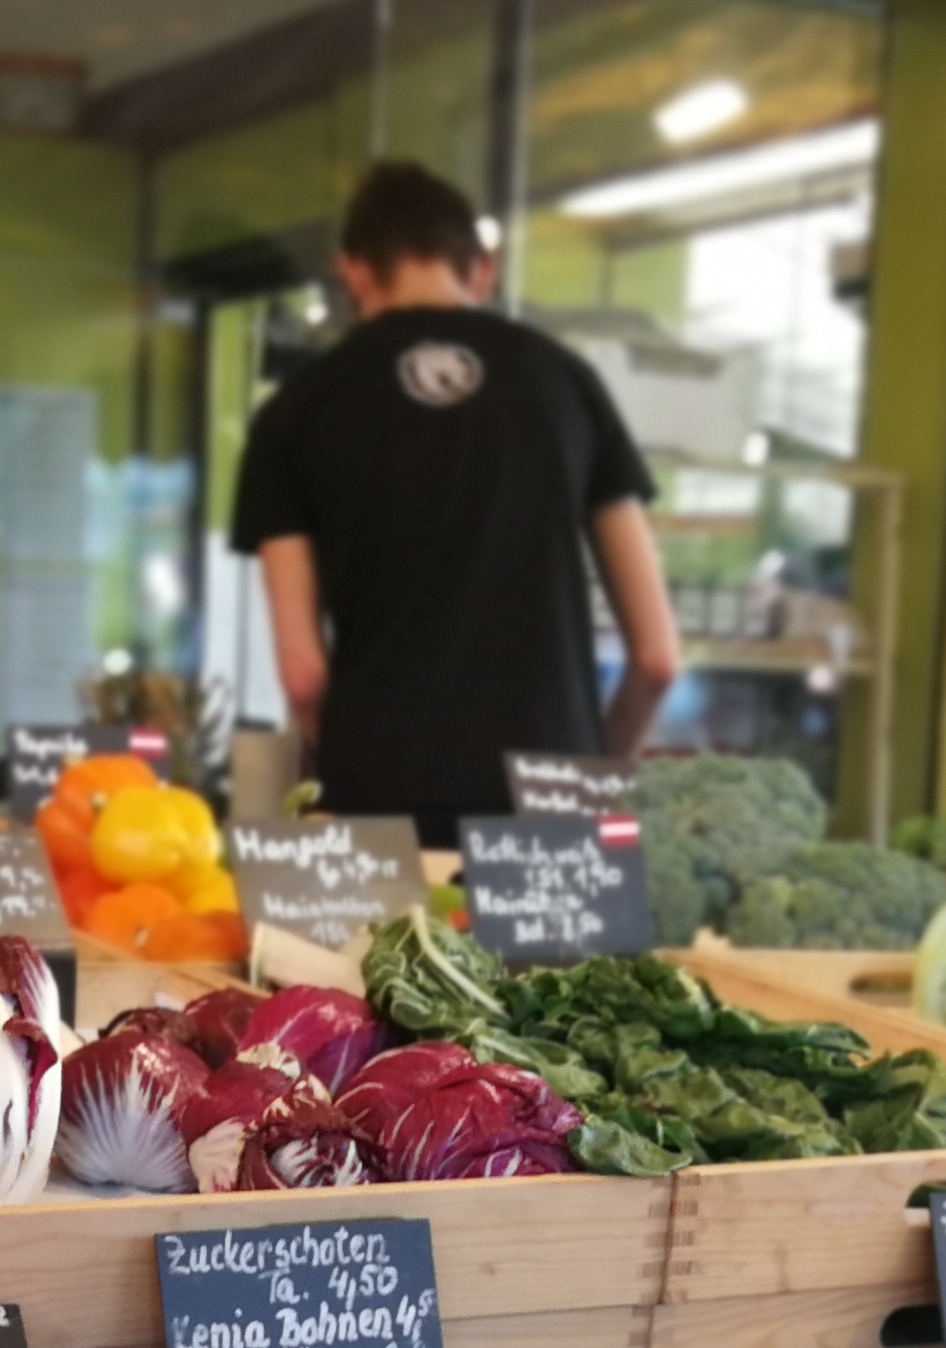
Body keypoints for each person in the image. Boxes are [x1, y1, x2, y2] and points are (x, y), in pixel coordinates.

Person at [231, 161, 681, 845]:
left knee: (388, 959)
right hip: (553, 794)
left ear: (353, 270)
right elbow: (656, 657)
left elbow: (301, 673)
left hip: (384, 791)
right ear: (483, 270)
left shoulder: (297, 411)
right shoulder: (566, 384)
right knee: (564, 962)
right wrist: (594, 772)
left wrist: (354, 755)